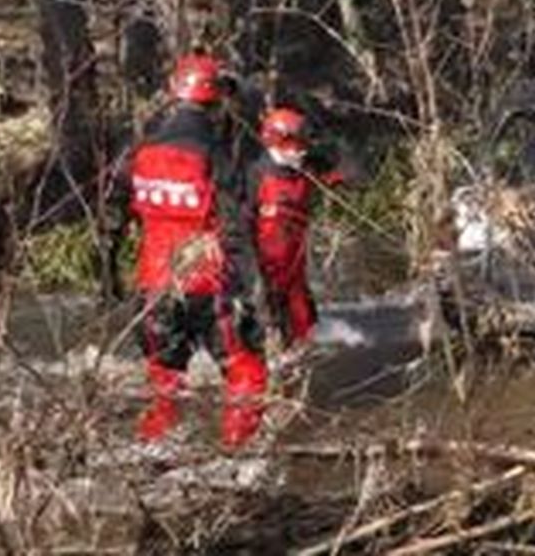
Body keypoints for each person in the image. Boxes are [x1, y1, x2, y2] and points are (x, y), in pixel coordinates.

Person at [104, 53, 267, 449]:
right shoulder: (218, 154)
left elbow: (111, 219)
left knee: (164, 385)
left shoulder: (138, 152)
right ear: (216, 101)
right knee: (246, 374)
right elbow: (241, 221)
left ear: (174, 95)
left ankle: (149, 460)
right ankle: (236, 458)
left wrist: (110, 279)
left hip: (154, 287)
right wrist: (252, 286)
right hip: (210, 285)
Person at [246, 106, 351, 349]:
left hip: (294, 272)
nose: (301, 151)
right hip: (263, 273)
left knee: (303, 327)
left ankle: (300, 364)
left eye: (303, 144)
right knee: (263, 329)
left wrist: (336, 153)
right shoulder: (254, 176)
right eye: (295, 144)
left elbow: (353, 175)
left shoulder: (308, 170)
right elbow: (238, 227)